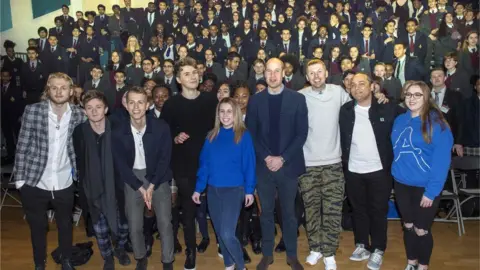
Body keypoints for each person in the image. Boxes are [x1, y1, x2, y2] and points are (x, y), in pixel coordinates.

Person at [14, 72, 85, 270]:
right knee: (38, 227)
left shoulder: (80, 114)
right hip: (35, 181)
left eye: (63, 87)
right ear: (48, 89)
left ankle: (66, 260)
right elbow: (22, 145)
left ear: (71, 91)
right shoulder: (32, 111)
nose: (59, 91)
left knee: (65, 225)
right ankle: (39, 263)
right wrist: (20, 181)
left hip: (64, 181)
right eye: (54, 87)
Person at [245, 58, 308, 270]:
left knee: (289, 214)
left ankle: (292, 255)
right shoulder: (255, 100)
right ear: (264, 74)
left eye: (276, 71)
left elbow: (301, 134)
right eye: (269, 72)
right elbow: (251, 134)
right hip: (263, 167)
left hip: (288, 166)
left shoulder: (297, 99)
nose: (272, 76)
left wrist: (282, 158)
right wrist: (266, 157)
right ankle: (267, 255)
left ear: (283, 73)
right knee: (266, 213)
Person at [339, 73, 405, 270]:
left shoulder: (388, 108)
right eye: (353, 85)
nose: (357, 88)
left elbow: (411, 113)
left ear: (372, 86)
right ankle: (361, 245)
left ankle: (378, 249)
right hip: (353, 169)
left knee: (378, 210)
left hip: (379, 170)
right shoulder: (346, 110)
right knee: (358, 210)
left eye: (362, 84)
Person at [160, 57, 217, 270]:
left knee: (217, 207)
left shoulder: (211, 100)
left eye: (194, 72)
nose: (192, 76)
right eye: (187, 74)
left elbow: (220, 129)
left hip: (210, 163)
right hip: (183, 164)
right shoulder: (171, 104)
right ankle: (190, 252)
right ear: (178, 79)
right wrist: (175, 137)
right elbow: (164, 135)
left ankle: (224, 244)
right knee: (189, 211)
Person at [391, 81, 453, 270]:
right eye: (409, 94)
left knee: (421, 229)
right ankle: (411, 262)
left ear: (426, 97)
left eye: (417, 95)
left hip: (425, 188)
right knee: (408, 226)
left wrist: (431, 192)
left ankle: (423, 266)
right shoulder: (400, 120)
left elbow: (442, 162)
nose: (412, 98)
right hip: (402, 184)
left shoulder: (437, 124)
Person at [112, 87, 174, 270]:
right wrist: (140, 186)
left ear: (148, 105)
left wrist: (152, 185)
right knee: (134, 224)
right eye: (132, 102)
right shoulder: (117, 131)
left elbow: (165, 159)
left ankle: (168, 261)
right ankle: (140, 257)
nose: (136, 107)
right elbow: (120, 164)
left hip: (158, 176)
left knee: (165, 222)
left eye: (140, 102)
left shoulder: (161, 127)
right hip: (132, 177)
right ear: (126, 105)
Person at [192, 97, 256, 270]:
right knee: (220, 233)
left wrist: (249, 190)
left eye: (229, 111)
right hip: (213, 191)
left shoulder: (243, 135)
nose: (225, 115)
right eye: (222, 111)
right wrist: (198, 189)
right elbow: (204, 165)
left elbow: (249, 164)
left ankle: (241, 267)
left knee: (228, 233)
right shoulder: (211, 136)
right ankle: (229, 265)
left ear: (236, 113)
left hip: (234, 190)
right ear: (217, 114)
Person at [72, 90, 131, 270]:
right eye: (89, 108)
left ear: (106, 109)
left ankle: (120, 249)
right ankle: (107, 257)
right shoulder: (79, 132)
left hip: (118, 185)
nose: (94, 111)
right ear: (84, 111)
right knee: (100, 226)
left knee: (123, 224)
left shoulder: (119, 129)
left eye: (98, 107)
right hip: (92, 186)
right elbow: (79, 160)